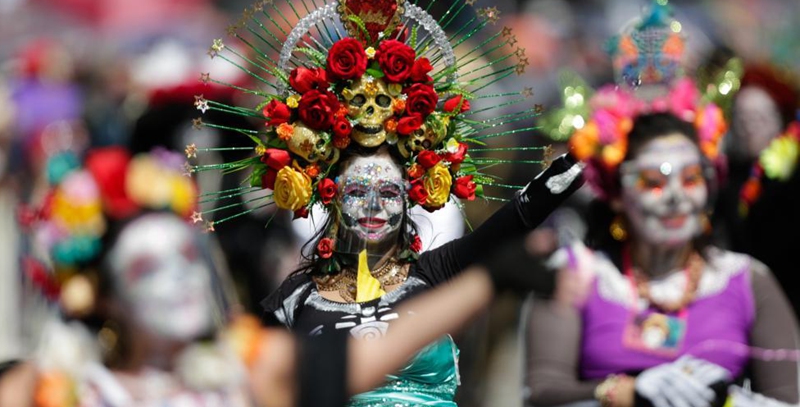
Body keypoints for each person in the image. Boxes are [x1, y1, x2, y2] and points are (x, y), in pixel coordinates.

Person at [188, 0, 585, 407]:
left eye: (388, 192)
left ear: (411, 195)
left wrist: (574, 170)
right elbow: (245, 367)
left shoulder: (435, 272)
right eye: (357, 191)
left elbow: (516, 218)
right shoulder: (294, 297)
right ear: (331, 195)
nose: (374, 207)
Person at [0, 144, 569, 407]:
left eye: (389, 191)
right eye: (148, 267)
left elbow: (365, 362)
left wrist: (526, 222)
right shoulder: (55, 385)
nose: (372, 206)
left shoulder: (241, 370)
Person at [522, 0, 800, 407]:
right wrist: (626, 392)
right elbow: (539, 393)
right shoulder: (577, 276)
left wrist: (727, 401)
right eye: (653, 180)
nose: (675, 197)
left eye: (690, 178)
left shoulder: (747, 280)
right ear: (617, 193)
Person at [712, 62, 800, 319]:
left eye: (760, 118)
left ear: (780, 121)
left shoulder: (791, 174)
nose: (750, 127)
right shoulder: (727, 178)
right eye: (742, 118)